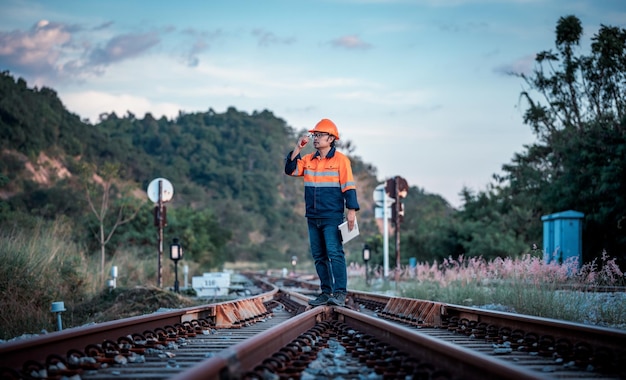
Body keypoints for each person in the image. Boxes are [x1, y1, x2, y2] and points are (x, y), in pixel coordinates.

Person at [284, 118, 359, 307]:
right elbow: (290, 169)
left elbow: (349, 187)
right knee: (319, 256)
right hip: (312, 216)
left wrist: (351, 211)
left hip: (332, 216)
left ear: (331, 138)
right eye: (314, 135)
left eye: (319, 135)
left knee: (335, 254)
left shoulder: (341, 161)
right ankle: (326, 293)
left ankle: (340, 293)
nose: (315, 138)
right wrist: (298, 148)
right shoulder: (308, 159)